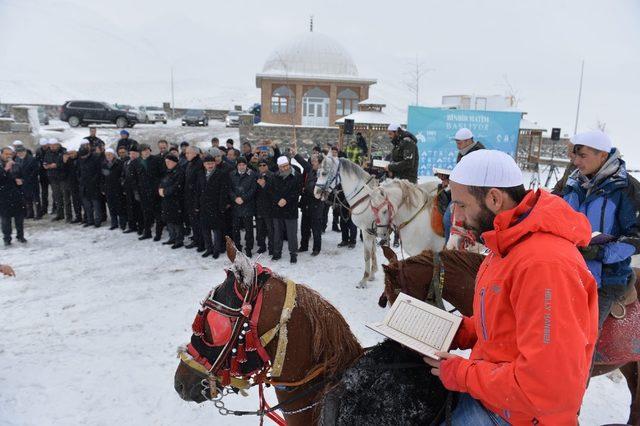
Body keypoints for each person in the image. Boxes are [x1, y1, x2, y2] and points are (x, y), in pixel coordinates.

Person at [423, 149, 598, 425]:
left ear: (493, 198)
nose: (457, 217)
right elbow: (502, 327)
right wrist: (453, 330)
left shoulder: (544, 265)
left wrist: (461, 374)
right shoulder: (505, 243)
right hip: (492, 396)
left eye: (462, 205)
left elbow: (546, 386)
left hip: (516, 416)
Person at [562, 130, 640, 330]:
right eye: (575, 156)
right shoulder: (573, 182)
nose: (576, 162)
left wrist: (600, 252)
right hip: (567, 270)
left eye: (583, 156)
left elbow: (635, 238)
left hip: (605, 279)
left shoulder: (627, 188)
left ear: (603, 155)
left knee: (580, 339)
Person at [268, 156, 301, 263]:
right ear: (279, 167)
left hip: (291, 209)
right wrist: (278, 200)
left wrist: (286, 200)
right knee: (277, 233)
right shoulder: (274, 177)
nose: (285, 168)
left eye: (286, 165)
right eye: (282, 166)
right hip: (277, 209)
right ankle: (277, 253)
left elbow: (297, 192)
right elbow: (271, 191)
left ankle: (293, 254)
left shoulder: (296, 176)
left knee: (292, 234)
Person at [200, 153, 230, 258]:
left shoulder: (221, 174)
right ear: (204, 164)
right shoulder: (201, 174)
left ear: (215, 164)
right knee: (205, 229)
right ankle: (209, 248)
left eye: (212, 163)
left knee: (217, 230)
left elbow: (223, 192)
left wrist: (222, 206)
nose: (210, 165)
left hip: (216, 206)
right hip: (204, 206)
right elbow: (197, 191)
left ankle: (216, 250)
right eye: (208, 163)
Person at [294, 149, 324, 255]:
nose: (312, 162)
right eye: (312, 161)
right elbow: (304, 163)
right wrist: (295, 155)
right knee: (304, 228)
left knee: (316, 229)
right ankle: (304, 246)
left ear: (320, 163)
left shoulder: (323, 175)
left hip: (316, 205)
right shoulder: (311, 170)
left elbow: (316, 190)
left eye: (314, 161)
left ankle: (316, 249)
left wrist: (306, 189)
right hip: (306, 204)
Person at [229, 157, 257, 257]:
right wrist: (235, 198)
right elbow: (229, 188)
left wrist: (244, 198)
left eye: (243, 165)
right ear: (237, 166)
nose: (242, 167)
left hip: (247, 205)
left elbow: (253, 189)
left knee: (248, 229)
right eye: (240, 165)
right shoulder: (232, 174)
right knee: (235, 229)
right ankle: (237, 248)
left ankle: (248, 248)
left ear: (246, 165)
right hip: (235, 205)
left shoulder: (251, 174)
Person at [136, 144, 165, 241]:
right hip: (143, 191)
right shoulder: (137, 162)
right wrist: (137, 190)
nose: (146, 151)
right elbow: (135, 178)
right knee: (146, 214)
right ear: (140, 152)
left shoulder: (156, 160)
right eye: (144, 150)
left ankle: (158, 234)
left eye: (148, 149)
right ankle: (147, 232)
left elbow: (163, 174)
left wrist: (159, 186)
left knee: (158, 214)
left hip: (155, 191)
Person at [0, 147, 26, 245]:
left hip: (16, 194)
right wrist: (6, 169)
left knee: (19, 217)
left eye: (10, 154)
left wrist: (21, 181)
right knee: (5, 219)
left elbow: (23, 176)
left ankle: (20, 235)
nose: (8, 156)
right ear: (1, 154)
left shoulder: (16, 165)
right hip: (3, 196)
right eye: (6, 154)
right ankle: (7, 238)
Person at [159, 154, 185, 249]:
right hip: (167, 200)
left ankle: (179, 240)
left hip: (176, 200)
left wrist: (165, 192)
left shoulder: (179, 172)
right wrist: (160, 189)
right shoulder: (168, 171)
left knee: (176, 221)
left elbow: (177, 186)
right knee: (169, 219)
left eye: (169, 162)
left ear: (174, 162)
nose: (167, 164)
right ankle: (172, 237)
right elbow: (162, 182)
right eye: (166, 162)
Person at [43, 139, 71, 221]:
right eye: (51, 146)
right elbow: (45, 162)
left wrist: (56, 165)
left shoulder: (64, 152)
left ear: (58, 145)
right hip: (53, 177)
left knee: (66, 197)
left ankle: (68, 215)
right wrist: (47, 165)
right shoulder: (48, 153)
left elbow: (65, 163)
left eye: (54, 145)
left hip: (63, 177)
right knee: (57, 197)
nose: (52, 147)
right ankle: (60, 214)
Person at [183, 146, 205, 251]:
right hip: (189, 198)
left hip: (196, 199)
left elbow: (199, 186)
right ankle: (196, 239)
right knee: (193, 221)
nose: (186, 155)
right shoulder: (190, 164)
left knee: (198, 222)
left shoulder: (199, 164)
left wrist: (197, 203)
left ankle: (201, 242)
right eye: (186, 153)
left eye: (189, 153)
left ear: (195, 153)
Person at [77, 146, 103, 227]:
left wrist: (94, 181)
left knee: (96, 204)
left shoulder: (95, 158)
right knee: (86, 205)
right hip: (83, 185)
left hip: (93, 185)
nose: (83, 157)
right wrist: (80, 179)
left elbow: (98, 172)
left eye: (84, 155)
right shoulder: (80, 160)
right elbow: (78, 171)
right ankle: (89, 220)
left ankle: (98, 220)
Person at [102, 148, 127, 230]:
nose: (108, 156)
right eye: (107, 155)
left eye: (110, 154)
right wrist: (103, 188)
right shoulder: (104, 164)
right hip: (108, 188)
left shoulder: (119, 163)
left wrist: (121, 185)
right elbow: (102, 178)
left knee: (120, 206)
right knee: (111, 206)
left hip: (118, 188)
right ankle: (114, 223)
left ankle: (122, 223)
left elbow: (123, 175)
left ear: (113, 155)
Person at [14, 145, 40, 219]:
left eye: (21, 152)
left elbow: (35, 172)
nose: (19, 154)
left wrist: (25, 179)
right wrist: (17, 178)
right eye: (18, 153)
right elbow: (16, 170)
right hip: (22, 182)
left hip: (32, 182)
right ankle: (30, 213)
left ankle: (38, 213)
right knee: (27, 199)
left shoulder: (32, 159)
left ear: (25, 152)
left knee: (35, 198)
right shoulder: (17, 159)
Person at [255, 159, 274, 255]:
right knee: (260, 228)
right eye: (260, 165)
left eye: (264, 165)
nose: (262, 167)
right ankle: (262, 246)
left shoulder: (272, 176)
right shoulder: (256, 175)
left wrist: (264, 185)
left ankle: (271, 247)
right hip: (259, 206)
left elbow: (273, 191)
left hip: (269, 207)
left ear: (267, 165)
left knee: (270, 229)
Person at [122, 146, 142, 234]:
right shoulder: (126, 163)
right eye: (131, 153)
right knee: (130, 208)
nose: (132, 155)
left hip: (138, 189)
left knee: (139, 208)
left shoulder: (140, 162)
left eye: (134, 153)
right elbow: (123, 175)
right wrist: (123, 182)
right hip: (128, 189)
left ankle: (141, 226)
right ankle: (132, 226)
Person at [35, 138, 51, 218]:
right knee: (44, 193)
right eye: (43, 146)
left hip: (50, 173)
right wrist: (40, 166)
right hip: (43, 174)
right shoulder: (38, 151)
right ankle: (44, 208)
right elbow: (37, 160)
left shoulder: (50, 150)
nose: (44, 147)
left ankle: (55, 207)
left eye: (45, 146)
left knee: (55, 193)